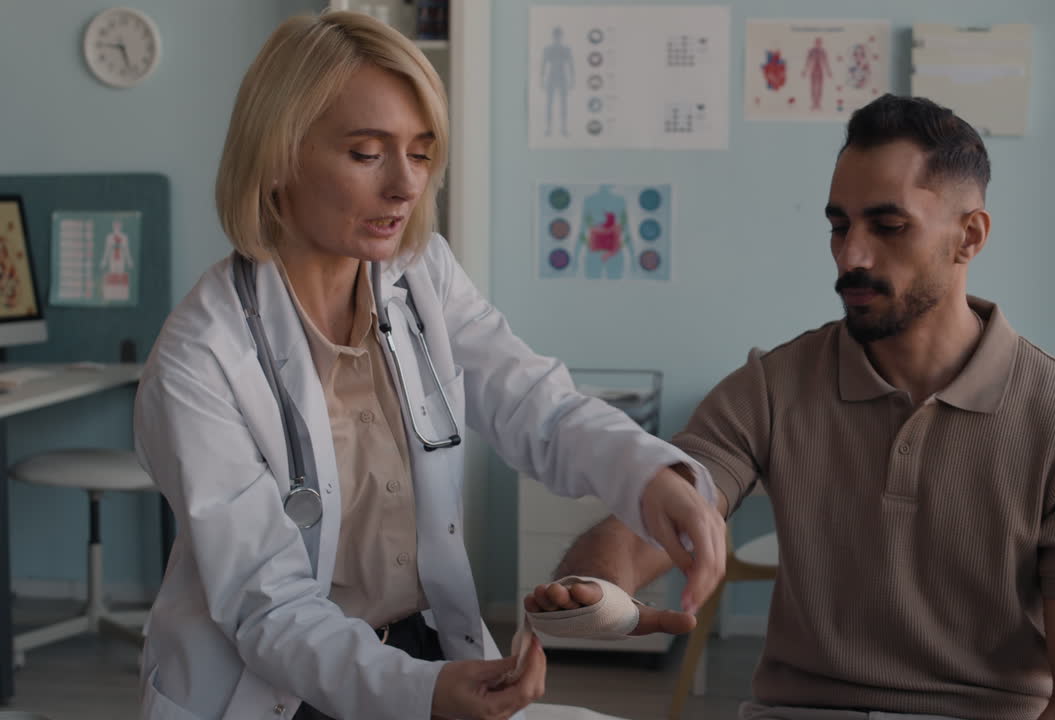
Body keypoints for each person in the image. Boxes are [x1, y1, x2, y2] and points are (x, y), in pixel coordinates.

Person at [134, 12, 724, 720]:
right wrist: (425, 693)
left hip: (424, 648)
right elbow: (270, 609)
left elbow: (540, 405)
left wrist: (651, 475)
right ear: (278, 155)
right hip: (272, 687)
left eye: (420, 152)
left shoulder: (421, 276)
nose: (404, 186)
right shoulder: (199, 358)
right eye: (366, 153)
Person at [527, 94, 1055, 720]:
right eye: (839, 225)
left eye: (888, 226)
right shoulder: (772, 387)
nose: (851, 256)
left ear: (969, 236)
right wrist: (598, 589)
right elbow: (665, 507)